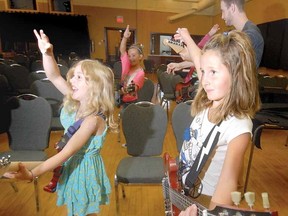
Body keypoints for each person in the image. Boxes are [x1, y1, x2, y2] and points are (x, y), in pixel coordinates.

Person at [4, 29, 117, 216]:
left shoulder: (92, 121)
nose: (71, 79)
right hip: (73, 165)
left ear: (95, 87)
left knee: (83, 212)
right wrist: (47, 53)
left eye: (79, 77)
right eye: (73, 75)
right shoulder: (76, 100)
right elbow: (55, 76)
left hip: (83, 172)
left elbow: (67, 152)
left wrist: (33, 174)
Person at [173, 29, 261, 214]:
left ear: (236, 75)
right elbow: (200, 59)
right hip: (184, 189)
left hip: (205, 200)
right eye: (203, 72)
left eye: (213, 72)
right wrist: (188, 38)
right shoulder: (210, 97)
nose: (204, 80)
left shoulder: (238, 126)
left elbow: (229, 181)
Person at [220, 0, 264, 68]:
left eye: (223, 11)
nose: (222, 16)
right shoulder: (239, 33)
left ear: (232, 8)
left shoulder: (251, 34)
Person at [119, 24, 145, 109]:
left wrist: (121, 91)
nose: (130, 58)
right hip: (122, 100)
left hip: (131, 102)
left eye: (133, 55)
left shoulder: (140, 73)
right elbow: (122, 50)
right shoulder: (127, 64)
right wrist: (125, 37)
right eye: (129, 56)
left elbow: (133, 88)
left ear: (140, 56)